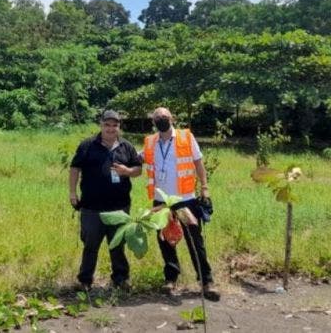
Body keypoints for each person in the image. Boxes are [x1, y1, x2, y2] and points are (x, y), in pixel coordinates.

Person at [142, 107, 220, 301]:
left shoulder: (186, 137)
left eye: (164, 116)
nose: (161, 119)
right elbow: (138, 157)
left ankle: (206, 281)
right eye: (157, 117)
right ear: (153, 121)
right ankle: (171, 279)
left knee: (195, 241)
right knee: (165, 240)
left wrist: (204, 187)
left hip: (185, 201)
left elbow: (198, 162)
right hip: (162, 203)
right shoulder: (150, 142)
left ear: (172, 118)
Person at [69, 110, 143, 290]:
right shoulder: (87, 145)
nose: (111, 129)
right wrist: (72, 193)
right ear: (101, 125)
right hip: (91, 207)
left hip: (119, 207)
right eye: (107, 125)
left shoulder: (126, 146)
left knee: (117, 245)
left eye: (114, 125)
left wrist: (127, 171)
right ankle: (85, 280)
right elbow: (74, 168)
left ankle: (121, 279)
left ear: (119, 127)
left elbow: (138, 170)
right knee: (90, 245)